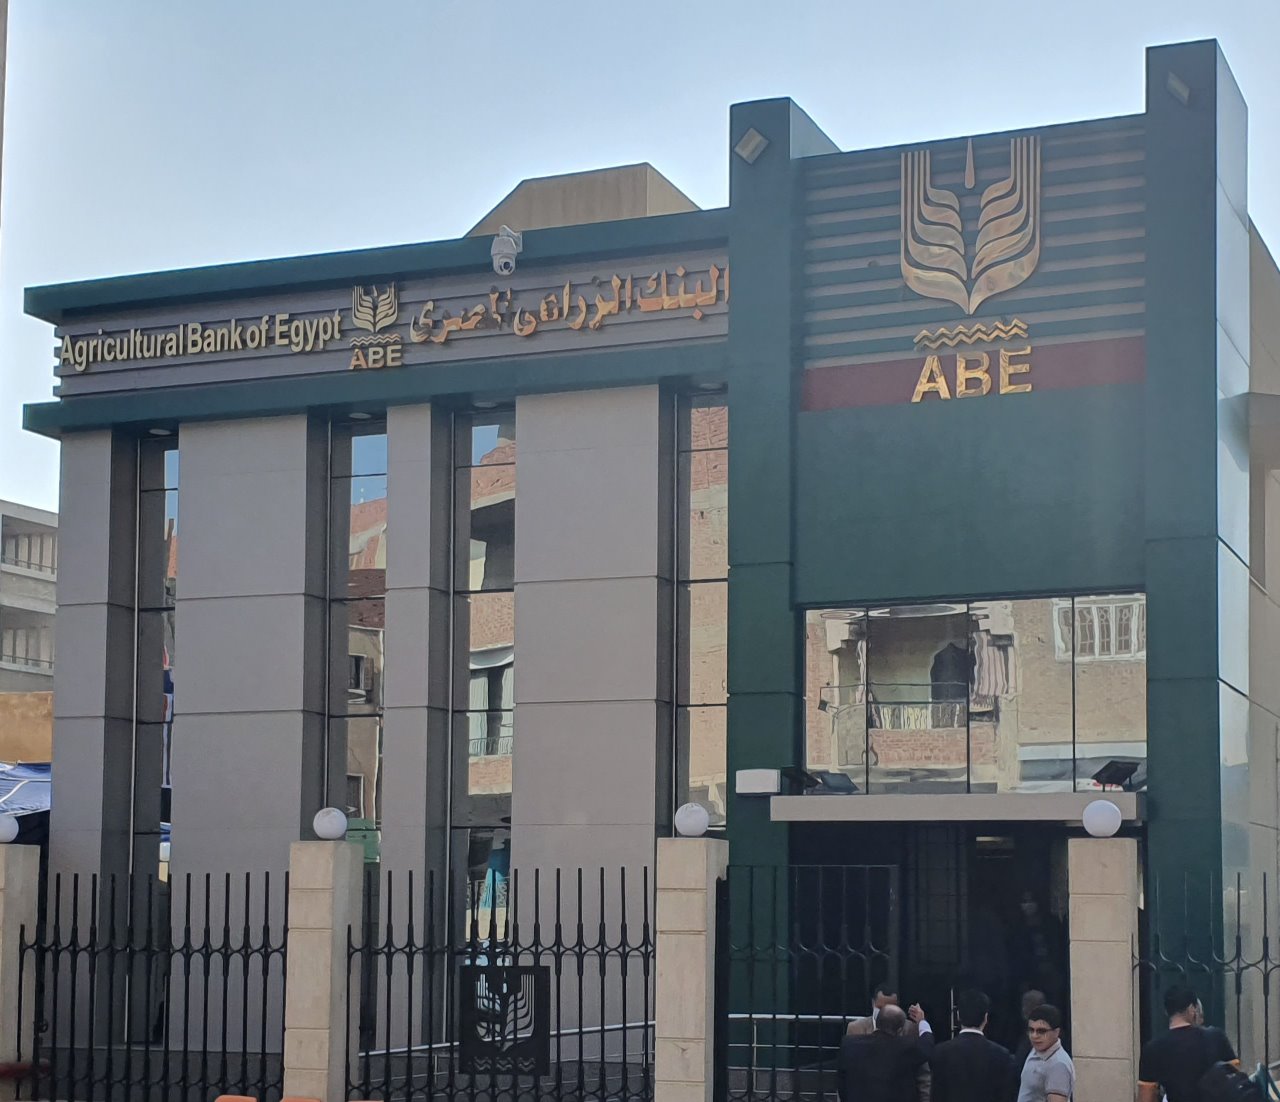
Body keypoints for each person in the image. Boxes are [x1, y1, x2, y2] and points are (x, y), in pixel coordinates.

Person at [1138, 986, 1239, 1102]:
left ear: (1166, 1011)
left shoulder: (1152, 1048)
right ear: (1192, 1009)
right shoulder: (1216, 1037)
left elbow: (1146, 1097)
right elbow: (1236, 1080)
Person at [929, 989, 1015, 1102]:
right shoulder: (1002, 1056)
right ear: (986, 1017)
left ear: (958, 1015)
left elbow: (936, 1096)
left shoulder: (940, 1052)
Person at [838, 1003, 936, 1102]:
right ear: (899, 1030)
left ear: (877, 1022)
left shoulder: (849, 1044)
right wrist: (922, 1021)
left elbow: (842, 1083)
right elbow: (927, 1043)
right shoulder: (906, 1047)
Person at [1017, 1004, 1074, 1102]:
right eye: (1031, 1030)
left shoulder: (1058, 1065)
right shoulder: (1036, 1050)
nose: (1034, 1036)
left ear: (1056, 1032)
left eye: (1041, 1031)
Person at [1011, 988, 1047, 1073]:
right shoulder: (1023, 1032)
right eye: (1024, 1005)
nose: (1024, 1009)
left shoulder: (1049, 1036)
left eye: (1029, 1005)